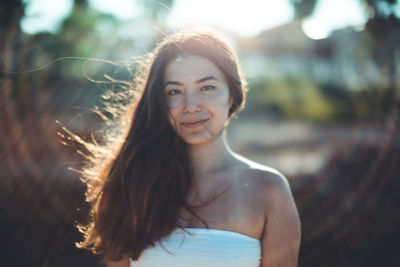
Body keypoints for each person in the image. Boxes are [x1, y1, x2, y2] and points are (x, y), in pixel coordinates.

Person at [76, 27, 301, 267]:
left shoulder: (269, 189)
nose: (190, 105)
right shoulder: (132, 182)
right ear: (160, 103)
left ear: (233, 95)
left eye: (207, 87)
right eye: (174, 92)